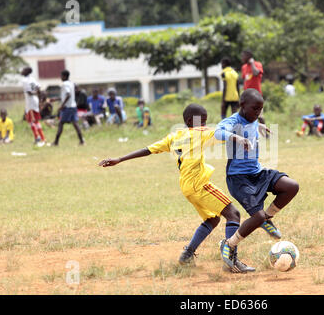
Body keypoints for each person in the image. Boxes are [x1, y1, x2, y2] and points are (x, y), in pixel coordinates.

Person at [99, 103, 254, 273]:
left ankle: (187, 254)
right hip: (199, 184)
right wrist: (241, 135)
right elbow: (219, 132)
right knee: (234, 214)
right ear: (191, 121)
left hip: (186, 186)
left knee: (213, 219)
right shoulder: (199, 133)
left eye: (205, 121)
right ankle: (231, 261)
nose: (204, 125)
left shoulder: (174, 137)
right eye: (202, 121)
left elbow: (148, 149)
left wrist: (120, 159)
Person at [215, 89, 299, 271]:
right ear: (242, 105)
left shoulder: (253, 119)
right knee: (256, 216)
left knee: (291, 187)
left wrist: (259, 126)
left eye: (260, 109)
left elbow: (251, 123)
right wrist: (236, 137)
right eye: (255, 109)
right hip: (238, 178)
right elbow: (218, 132)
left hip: (257, 172)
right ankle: (229, 244)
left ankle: (267, 219)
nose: (258, 113)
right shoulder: (233, 121)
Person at [51, 70, 84, 146]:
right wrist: (56, 99)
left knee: (61, 123)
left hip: (67, 107)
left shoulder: (64, 84)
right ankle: (82, 141)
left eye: (61, 76)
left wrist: (62, 105)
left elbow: (68, 95)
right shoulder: (71, 83)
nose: (60, 77)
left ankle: (56, 142)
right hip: (73, 106)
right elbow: (67, 95)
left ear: (64, 76)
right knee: (75, 124)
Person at [21, 67, 46, 145]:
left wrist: (33, 93)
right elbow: (38, 88)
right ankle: (43, 138)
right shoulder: (33, 79)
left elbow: (29, 92)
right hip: (35, 100)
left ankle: (37, 137)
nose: (22, 71)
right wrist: (39, 98)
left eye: (23, 70)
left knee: (31, 120)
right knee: (36, 121)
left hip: (30, 102)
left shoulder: (24, 80)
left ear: (26, 72)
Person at [241, 50, 266, 125]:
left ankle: (265, 134)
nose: (242, 58)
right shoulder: (244, 67)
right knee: (245, 116)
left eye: (243, 56)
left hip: (256, 95)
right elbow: (245, 80)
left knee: (260, 116)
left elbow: (255, 73)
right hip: (247, 96)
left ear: (249, 56)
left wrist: (252, 63)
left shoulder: (257, 64)